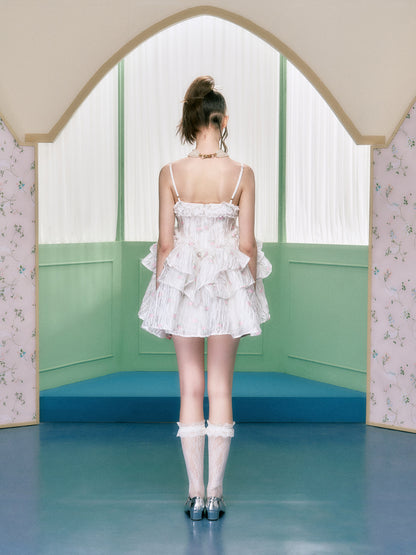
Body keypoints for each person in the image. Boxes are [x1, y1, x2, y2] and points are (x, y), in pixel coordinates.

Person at [138, 75, 272, 520]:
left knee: (190, 387)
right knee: (221, 388)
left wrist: (163, 295)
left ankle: (194, 494)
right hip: (227, 285)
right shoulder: (242, 175)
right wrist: (248, 295)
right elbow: (247, 245)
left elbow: (165, 244)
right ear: (223, 120)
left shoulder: (170, 174)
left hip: (184, 285)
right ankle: (215, 495)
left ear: (190, 121)